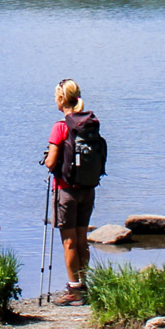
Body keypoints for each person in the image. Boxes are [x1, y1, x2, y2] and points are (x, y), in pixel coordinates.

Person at [44, 78, 97, 305]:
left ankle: (74, 290)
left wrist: (47, 157)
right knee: (82, 239)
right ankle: (84, 284)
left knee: (69, 242)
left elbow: (50, 163)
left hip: (65, 191)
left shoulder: (61, 126)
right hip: (88, 188)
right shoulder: (89, 123)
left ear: (62, 99)